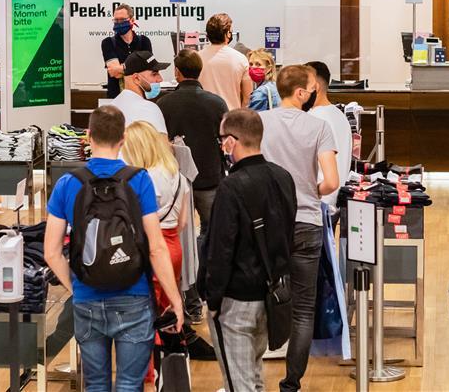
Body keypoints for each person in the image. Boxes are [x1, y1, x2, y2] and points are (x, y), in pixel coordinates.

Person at [44, 106, 184, 392]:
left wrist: (76, 286)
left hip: (87, 297)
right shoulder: (139, 180)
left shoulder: (67, 183)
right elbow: (156, 247)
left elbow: (51, 252)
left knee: (95, 384)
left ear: (88, 136)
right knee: (130, 384)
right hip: (134, 295)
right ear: (123, 138)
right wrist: (175, 299)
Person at [200, 108, 297, 392]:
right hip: (271, 294)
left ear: (231, 141)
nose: (221, 146)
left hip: (236, 300)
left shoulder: (231, 187)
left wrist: (212, 300)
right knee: (254, 377)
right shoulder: (283, 177)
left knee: (239, 383)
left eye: (221, 140)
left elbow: (220, 250)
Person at [259, 64, 340, 391]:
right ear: (301, 92)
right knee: (304, 309)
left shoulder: (259, 123)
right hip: (306, 221)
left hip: (268, 224)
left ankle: (253, 373)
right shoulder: (319, 127)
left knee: (262, 298)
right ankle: (291, 383)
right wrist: (310, 190)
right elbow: (331, 181)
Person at [122, 120, 217, 361]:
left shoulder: (145, 179)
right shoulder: (178, 175)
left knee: (147, 311)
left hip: (153, 247)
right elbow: (184, 221)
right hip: (174, 246)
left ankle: (149, 367)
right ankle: (173, 360)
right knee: (168, 308)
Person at [157, 49, 229, 322]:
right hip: (210, 179)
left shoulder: (164, 104)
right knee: (210, 236)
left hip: (177, 182)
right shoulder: (216, 103)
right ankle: (208, 292)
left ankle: (188, 300)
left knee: (179, 238)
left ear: (177, 72)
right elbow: (224, 141)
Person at [305, 61, 353, 188]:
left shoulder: (312, 118)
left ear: (315, 87)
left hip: (318, 193)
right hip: (337, 193)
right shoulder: (341, 116)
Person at [199, 13, 253, 110]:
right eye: (231, 31)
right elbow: (247, 98)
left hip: (205, 115)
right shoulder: (240, 59)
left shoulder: (197, 58)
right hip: (231, 115)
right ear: (227, 34)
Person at [108, 50, 169, 134]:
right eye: (154, 74)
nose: (160, 79)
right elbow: (161, 141)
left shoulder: (109, 109)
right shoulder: (149, 109)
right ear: (136, 78)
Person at [101, 3, 153, 99]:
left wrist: (121, 67)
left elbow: (148, 70)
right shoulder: (108, 42)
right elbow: (114, 73)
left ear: (132, 20)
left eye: (122, 20)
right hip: (116, 97)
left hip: (141, 96)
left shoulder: (144, 41)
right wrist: (138, 67)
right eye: (116, 20)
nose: (118, 23)